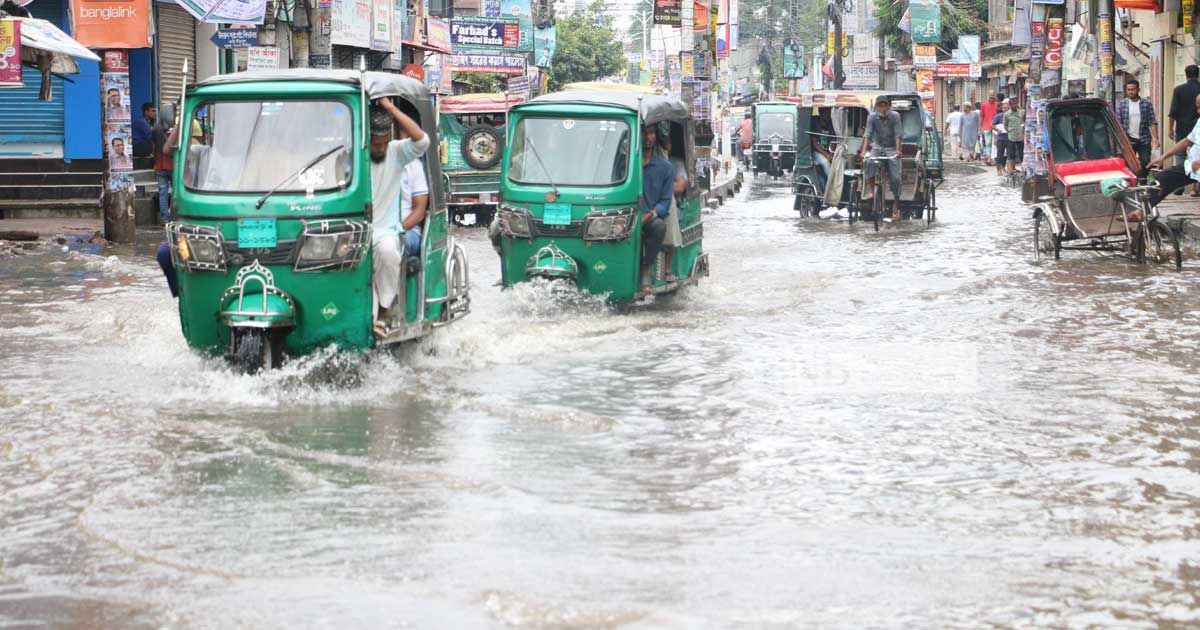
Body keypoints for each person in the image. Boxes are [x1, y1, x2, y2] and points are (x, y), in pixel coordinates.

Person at [368, 97, 430, 333]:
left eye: (384, 143)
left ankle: (383, 313)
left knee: (387, 251)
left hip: (387, 231)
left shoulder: (396, 153)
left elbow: (422, 140)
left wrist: (390, 107)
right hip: (357, 231)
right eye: (375, 144)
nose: (381, 149)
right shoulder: (353, 156)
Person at [639, 123, 673, 295]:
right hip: (626, 214)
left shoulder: (665, 167)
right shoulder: (625, 164)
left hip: (649, 217)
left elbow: (665, 201)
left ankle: (646, 268)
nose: (647, 138)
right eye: (644, 133)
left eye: (651, 133)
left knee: (659, 226)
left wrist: (649, 215)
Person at [1147, 93, 1200, 205]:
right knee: (1163, 178)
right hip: (1192, 166)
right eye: (1197, 107)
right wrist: (1164, 156)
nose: (1198, 111)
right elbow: (1187, 141)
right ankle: (1143, 210)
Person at [859, 95, 903, 221]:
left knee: (895, 177)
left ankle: (895, 204)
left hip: (892, 148)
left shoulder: (895, 116)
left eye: (885, 105)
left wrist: (898, 150)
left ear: (889, 106)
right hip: (877, 147)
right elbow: (867, 134)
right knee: (869, 164)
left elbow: (898, 134)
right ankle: (874, 192)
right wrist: (863, 152)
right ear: (877, 107)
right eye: (880, 105)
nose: (883, 108)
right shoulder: (872, 117)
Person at [1168, 65, 1200, 196]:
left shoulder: (1179, 90)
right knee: (1196, 158)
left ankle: (1180, 185)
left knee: (1180, 156)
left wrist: (1170, 128)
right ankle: (1194, 188)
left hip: (1182, 129)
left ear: (1186, 75)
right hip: (1197, 130)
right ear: (1197, 74)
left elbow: (1173, 112)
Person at [659, 128, 686, 282]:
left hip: (673, 202)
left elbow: (680, 186)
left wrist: (659, 188)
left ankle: (667, 268)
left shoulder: (676, 163)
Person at [1116, 78, 1159, 173]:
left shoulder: (1146, 104)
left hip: (1144, 139)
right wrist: (1121, 139)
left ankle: (1143, 181)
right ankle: (1132, 181)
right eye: (1128, 90)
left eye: (1133, 89)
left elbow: (1152, 121)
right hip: (1128, 139)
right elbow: (1118, 123)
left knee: (1145, 162)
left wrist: (1155, 138)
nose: (1131, 92)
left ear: (1138, 90)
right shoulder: (1122, 104)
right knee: (1128, 163)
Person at [1004, 98, 1024, 174]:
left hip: (1020, 136)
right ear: (1009, 105)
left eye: (1015, 104)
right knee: (1011, 153)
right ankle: (1011, 169)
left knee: (1021, 153)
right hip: (1011, 136)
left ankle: (1023, 169)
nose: (1014, 105)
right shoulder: (1007, 114)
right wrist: (1009, 131)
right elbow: (1005, 125)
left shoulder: (1021, 112)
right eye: (1012, 104)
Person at [979, 91, 998, 165]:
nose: (991, 97)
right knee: (988, 143)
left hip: (995, 127)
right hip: (986, 127)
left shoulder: (997, 104)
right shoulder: (984, 105)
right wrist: (981, 128)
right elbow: (981, 116)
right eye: (990, 95)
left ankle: (994, 158)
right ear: (988, 96)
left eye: (993, 95)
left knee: (995, 144)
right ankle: (989, 158)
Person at [992, 101, 1009, 177]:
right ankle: (998, 170)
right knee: (999, 154)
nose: (1005, 109)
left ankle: (1004, 168)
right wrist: (998, 130)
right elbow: (992, 125)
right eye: (1004, 108)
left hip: (1009, 137)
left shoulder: (1010, 116)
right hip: (1000, 138)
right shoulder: (998, 116)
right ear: (1002, 108)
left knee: (1007, 155)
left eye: (1007, 108)